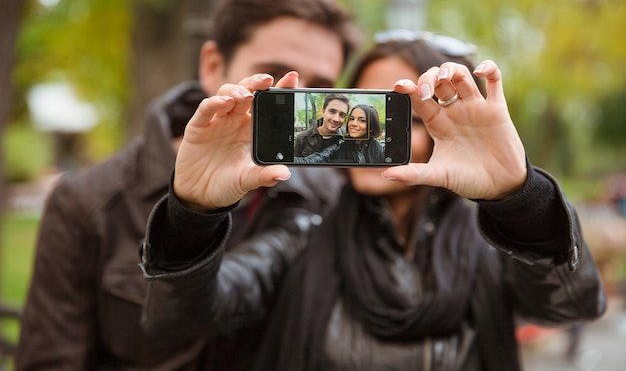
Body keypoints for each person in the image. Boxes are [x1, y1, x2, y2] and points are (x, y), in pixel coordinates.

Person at [139, 34, 606, 370]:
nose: (364, 127)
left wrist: (518, 199)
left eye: (405, 115)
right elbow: (181, 315)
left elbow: (572, 307)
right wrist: (192, 214)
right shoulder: (302, 236)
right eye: (359, 108)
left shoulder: (493, 245)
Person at [15, 0, 360, 370]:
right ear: (213, 65)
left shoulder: (331, 196)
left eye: (316, 87)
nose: (294, 101)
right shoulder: (87, 202)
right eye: (275, 76)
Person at [295, 103, 385, 164]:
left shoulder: (380, 148)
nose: (353, 124)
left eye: (362, 120)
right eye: (352, 119)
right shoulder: (340, 144)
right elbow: (320, 157)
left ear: (371, 126)